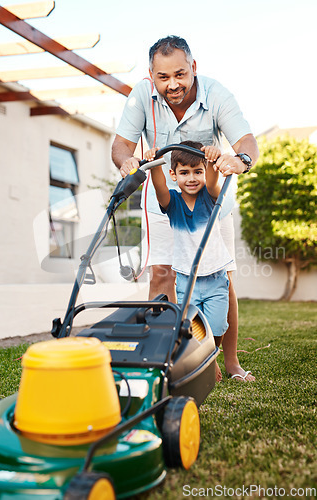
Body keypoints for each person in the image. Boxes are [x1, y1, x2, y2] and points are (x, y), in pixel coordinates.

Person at [111, 35, 259, 382]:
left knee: (222, 278)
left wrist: (241, 159)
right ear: (152, 75)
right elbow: (121, 147)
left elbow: (245, 140)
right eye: (163, 78)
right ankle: (161, 361)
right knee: (162, 275)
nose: (172, 84)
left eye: (180, 74)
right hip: (165, 202)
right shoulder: (140, 97)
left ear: (193, 67)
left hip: (211, 204)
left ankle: (231, 362)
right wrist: (128, 160)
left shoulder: (217, 94)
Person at [147, 140, 231, 353]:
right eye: (184, 173)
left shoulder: (211, 197)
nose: (192, 178)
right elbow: (160, 188)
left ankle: (212, 354)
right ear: (173, 175)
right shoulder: (173, 202)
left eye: (197, 171)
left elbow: (213, 182)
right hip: (186, 279)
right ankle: (204, 361)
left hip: (215, 277)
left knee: (218, 326)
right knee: (192, 327)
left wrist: (212, 160)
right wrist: (155, 164)